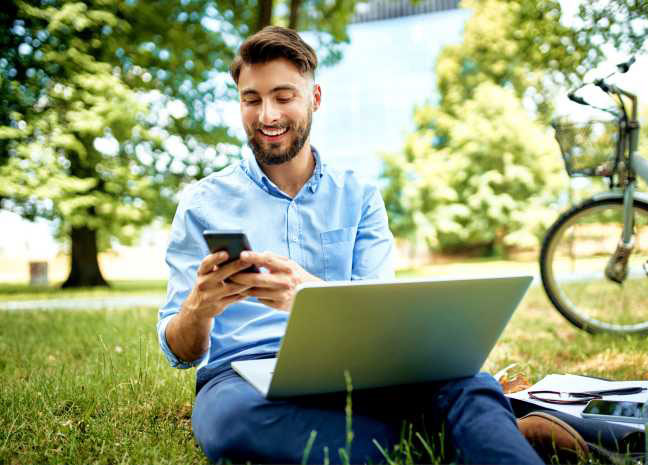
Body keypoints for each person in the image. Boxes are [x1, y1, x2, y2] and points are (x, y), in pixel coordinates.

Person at [157, 25, 543, 464]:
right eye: (252, 99)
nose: (267, 115)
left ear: (315, 99)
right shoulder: (202, 202)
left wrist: (308, 296)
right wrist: (198, 309)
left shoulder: (359, 197)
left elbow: (383, 322)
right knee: (233, 428)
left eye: (284, 97)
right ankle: (472, 439)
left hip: (356, 369)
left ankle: (483, 435)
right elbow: (178, 349)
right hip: (241, 378)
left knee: (469, 381)